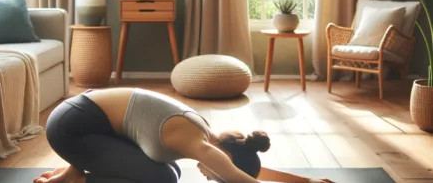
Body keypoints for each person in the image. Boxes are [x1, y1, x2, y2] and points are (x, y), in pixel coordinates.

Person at [33, 88, 334, 183]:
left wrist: (305, 181)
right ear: (224, 157)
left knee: (169, 169)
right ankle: (80, 179)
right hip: (73, 128)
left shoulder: (203, 132)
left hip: (85, 117)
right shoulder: (197, 143)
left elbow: (246, 169)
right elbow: (245, 180)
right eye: (217, 178)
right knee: (164, 178)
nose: (210, 179)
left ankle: (74, 171)